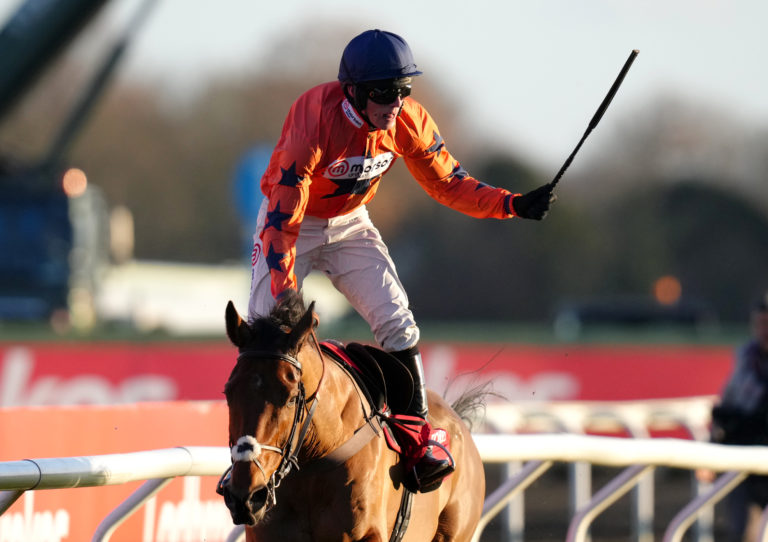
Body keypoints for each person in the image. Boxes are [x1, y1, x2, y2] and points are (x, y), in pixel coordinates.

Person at [247, 29, 556, 492]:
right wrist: (285, 292)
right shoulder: (313, 120)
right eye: (384, 92)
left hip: (351, 222)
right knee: (266, 335)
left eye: (403, 90)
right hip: (293, 223)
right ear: (354, 91)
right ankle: (249, 455)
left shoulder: (408, 121)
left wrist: (511, 204)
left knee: (398, 321)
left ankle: (417, 439)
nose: (395, 103)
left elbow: (448, 183)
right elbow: (281, 220)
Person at [698, 293, 768, 541]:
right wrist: (709, 452)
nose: (764, 331)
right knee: (744, 533)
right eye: (761, 324)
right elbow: (726, 409)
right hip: (744, 463)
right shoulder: (746, 361)